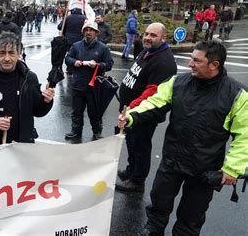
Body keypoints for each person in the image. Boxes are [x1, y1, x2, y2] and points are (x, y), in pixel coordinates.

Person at [117, 40, 248, 235]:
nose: (190, 64)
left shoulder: (237, 95)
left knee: (191, 218)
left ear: (214, 64)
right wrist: (132, 116)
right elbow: (155, 102)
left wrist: (232, 169)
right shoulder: (178, 83)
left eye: (196, 60)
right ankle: (152, 230)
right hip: (172, 160)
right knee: (158, 204)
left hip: (204, 170)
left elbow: (244, 136)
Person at [116, 23, 177, 192]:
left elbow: (153, 92)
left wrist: (131, 110)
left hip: (142, 114)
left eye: (153, 35)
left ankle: (137, 181)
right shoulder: (147, 51)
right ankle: (130, 171)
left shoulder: (163, 61)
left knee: (140, 146)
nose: (148, 38)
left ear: (163, 38)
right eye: (146, 34)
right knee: (131, 143)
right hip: (130, 112)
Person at [0, 32, 55, 145]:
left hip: (23, 144)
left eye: (11, 53)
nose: (7, 58)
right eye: (2, 53)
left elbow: (37, 111)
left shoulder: (29, 78)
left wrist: (46, 101)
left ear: (18, 53)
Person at [64, 21, 114, 141]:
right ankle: (76, 131)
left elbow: (109, 64)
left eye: (91, 30)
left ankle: (97, 131)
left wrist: (97, 65)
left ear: (96, 32)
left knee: (95, 112)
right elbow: (67, 58)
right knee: (76, 111)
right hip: (78, 84)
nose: (88, 32)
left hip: (94, 87)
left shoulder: (103, 48)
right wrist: (73, 62)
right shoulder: (76, 46)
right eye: (86, 30)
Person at [58, 8, 86, 75]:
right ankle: (77, 67)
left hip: (69, 40)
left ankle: (69, 68)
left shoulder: (68, 18)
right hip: (80, 40)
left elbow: (60, 27)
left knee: (70, 55)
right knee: (78, 54)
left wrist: (63, 20)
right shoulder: (84, 18)